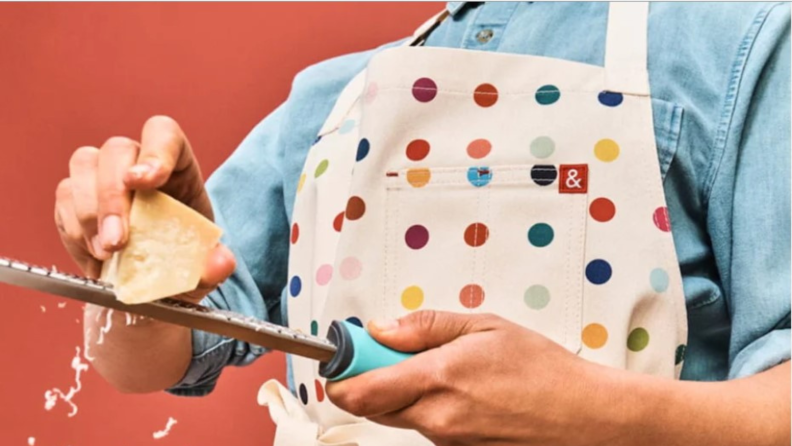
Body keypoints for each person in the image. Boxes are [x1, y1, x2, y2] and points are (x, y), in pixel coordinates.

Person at [54, 2, 790, 445]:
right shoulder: (333, 98)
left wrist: (596, 415)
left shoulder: (740, 45)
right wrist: (133, 251)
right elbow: (155, 355)